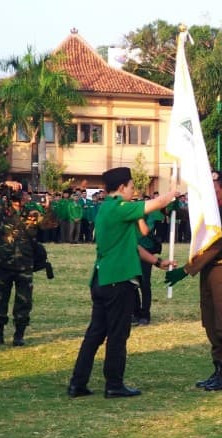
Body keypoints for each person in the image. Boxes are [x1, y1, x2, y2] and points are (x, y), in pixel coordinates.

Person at [67, 167, 177, 399]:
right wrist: (172, 193)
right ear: (121, 187)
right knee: (117, 334)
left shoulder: (107, 209)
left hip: (102, 279)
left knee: (95, 334)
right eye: (131, 187)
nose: (133, 191)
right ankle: (114, 384)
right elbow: (155, 204)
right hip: (117, 281)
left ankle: (78, 382)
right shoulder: (118, 207)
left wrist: (157, 262)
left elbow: (133, 245)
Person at [165, 170, 222, 391]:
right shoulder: (211, 213)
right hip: (208, 274)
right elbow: (196, 219)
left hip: (221, 273)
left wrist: (185, 271)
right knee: (210, 321)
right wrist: (175, 210)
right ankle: (217, 369)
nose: (208, 192)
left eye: (213, 188)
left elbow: (212, 248)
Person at [0, 180, 55, 346]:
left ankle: (19, 334)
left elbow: (49, 224)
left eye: (23, 193)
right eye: (19, 192)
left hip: (25, 264)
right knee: (0, 299)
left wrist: (48, 208)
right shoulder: (2, 210)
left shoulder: (32, 213)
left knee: (24, 301)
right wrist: (4, 185)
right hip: (4, 263)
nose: (22, 195)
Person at [134, 199, 165, 326]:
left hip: (146, 252)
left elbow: (145, 231)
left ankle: (145, 314)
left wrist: (139, 218)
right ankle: (135, 312)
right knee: (132, 283)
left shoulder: (150, 216)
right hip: (132, 251)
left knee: (144, 283)